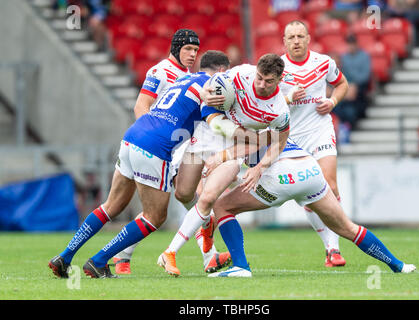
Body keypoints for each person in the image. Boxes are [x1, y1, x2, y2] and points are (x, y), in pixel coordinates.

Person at [48, 50, 231, 278]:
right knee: (155, 216)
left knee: (111, 206)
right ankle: (100, 260)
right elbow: (208, 99)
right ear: (222, 70)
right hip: (156, 147)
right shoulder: (212, 83)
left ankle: (65, 256)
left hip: (133, 136)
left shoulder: (184, 78)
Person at [157, 54, 291, 277]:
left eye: (268, 81)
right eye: (259, 77)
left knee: (209, 197)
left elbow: (280, 141)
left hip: (233, 148)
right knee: (183, 193)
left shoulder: (279, 110)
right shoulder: (241, 73)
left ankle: (170, 252)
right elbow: (210, 86)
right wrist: (207, 94)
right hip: (206, 133)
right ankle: (207, 221)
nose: (260, 84)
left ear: (279, 79)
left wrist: (259, 168)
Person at [204, 140, 416, 277]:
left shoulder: (240, 122)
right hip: (309, 169)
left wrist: (216, 161)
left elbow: (239, 162)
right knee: (347, 228)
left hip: (282, 174)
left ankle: (240, 267)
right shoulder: (269, 112)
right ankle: (398, 265)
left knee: (223, 206)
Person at [112, 29, 229, 275]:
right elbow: (141, 106)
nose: (192, 54)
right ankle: (119, 255)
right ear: (175, 48)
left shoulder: (193, 77)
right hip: (158, 145)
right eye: (187, 49)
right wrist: (154, 141)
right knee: (164, 208)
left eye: (196, 50)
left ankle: (208, 256)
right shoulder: (159, 71)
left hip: (179, 145)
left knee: (189, 200)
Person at [279, 20, 350, 267]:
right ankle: (328, 247)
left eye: (300, 36)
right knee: (310, 194)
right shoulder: (277, 68)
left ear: (308, 38)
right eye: (291, 37)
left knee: (330, 185)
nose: (296, 41)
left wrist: (332, 102)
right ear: (284, 41)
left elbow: (342, 84)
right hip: (291, 137)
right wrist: (287, 98)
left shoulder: (323, 62)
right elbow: (264, 101)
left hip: (320, 130)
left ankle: (334, 250)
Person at [335, 34, 371, 128]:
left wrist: (354, 82)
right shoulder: (344, 57)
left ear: (356, 44)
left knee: (356, 94)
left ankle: (356, 116)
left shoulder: (364, 56)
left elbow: (365, 76)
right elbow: (342, 73)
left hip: (360, 85)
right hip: (347, 84)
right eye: (349, 44)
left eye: (352, 44)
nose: (351, 47)